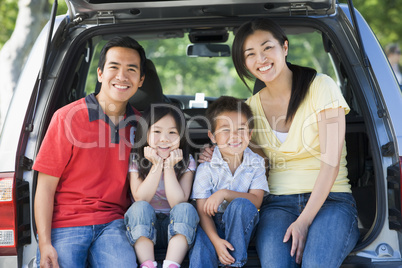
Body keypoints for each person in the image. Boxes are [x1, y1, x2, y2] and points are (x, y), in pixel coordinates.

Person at [201, 18, 360, 267]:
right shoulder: (250, 109)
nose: (261, 59)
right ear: (244, 63)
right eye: (250, 54)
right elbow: (244, 156)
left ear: (284, 48)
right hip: (277, 204)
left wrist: (304, 221)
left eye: (267, 48)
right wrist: (214, 153)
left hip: (332, 200)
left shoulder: (322, 87)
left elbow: (331, 164)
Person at [33, 36, 146, 268]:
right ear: (100, 74)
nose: (122, 76)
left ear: (141, 80)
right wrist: (44, 243)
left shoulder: (144, 125)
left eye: (131, 69)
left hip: (114, 223)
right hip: (65, 223)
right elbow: (44, 186)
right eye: (114, 67)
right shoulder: (67, 117)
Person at [189, 96, 269, 267]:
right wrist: (216, 241)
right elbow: (202, 211)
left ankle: (234, 263)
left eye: (241, 129)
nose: (234, 136)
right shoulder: (206, 167)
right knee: (200, 244)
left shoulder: (256, 163)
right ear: (212, 137)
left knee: (240, 205)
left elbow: (256, 201)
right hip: (211, 223)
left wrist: (224, 194)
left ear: (250, 134)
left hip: (243, 224)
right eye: (225, 130)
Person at [124, 104, 199, 268]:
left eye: (172, 132)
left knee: (186, 210)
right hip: (143, 228)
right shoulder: (137, 160)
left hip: (174, 229)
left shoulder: (187, 161)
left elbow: (178, 202)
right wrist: (157, 165)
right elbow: (140, 198)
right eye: (157, 132)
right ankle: (147, 264)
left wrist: (169, 167)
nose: (164, 138)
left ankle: (171, 264)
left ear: (181, 136)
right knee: (139, 207)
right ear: (145, 134)